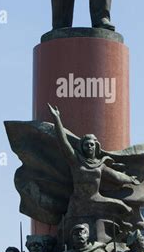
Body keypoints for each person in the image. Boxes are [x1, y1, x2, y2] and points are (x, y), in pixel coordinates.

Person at [48, 104, 138, 243]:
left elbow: (117, 177)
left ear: (96, 147)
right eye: (86, 144)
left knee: (124, 208)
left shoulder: (100, 165)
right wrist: (57, 118)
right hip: (78, 202)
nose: (89, 147)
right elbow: (63, 143)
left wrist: (130, 179)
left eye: (92, 145)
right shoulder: (75, 161)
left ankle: (123, 238)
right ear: (82, 147)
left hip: (96, 199)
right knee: (65, 231)